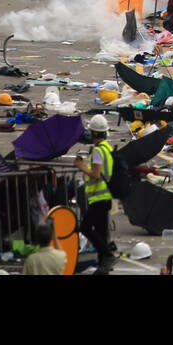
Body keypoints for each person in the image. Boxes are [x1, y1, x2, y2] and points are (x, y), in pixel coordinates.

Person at [75, 114, 116, 275]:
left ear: (93, 133)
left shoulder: (98, 151)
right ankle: (103, 265)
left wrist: (80, 165)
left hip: (99, 198)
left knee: (85, 227)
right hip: (106, 196)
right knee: (100, 231)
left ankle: (107, 255)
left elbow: (96, 174)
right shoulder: (107, 148)